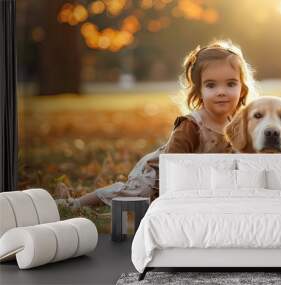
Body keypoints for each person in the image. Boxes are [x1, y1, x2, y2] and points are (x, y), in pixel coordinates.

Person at [56, 40, 257, 209]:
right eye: (211, 85)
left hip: (200, 182)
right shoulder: (192, 125)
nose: (222, 91)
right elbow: (172, 167)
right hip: (158, 177)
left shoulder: (238, 125)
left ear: (242, 87)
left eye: (231, 84)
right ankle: (74, 203)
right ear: (199, 91)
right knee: (131, 193)